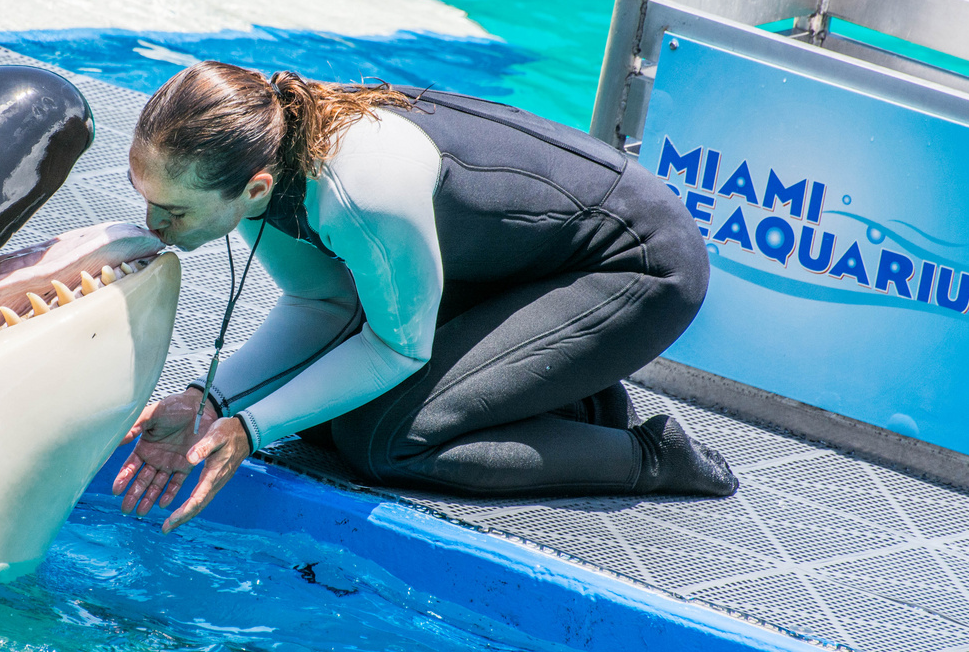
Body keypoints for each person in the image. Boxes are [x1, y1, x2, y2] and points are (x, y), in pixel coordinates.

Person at [112, 61, 735, 533]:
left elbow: (395, 348)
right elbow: (323, 307)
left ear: (255, 188)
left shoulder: (358, 192)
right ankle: (573, 396)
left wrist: (249, 427)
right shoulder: (255, 161)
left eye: (171, 211)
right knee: (323, 421)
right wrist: (208, 402)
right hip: (517, 268)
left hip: (636, 267)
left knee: (385, 441)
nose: (152, 225)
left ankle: (651, 456)